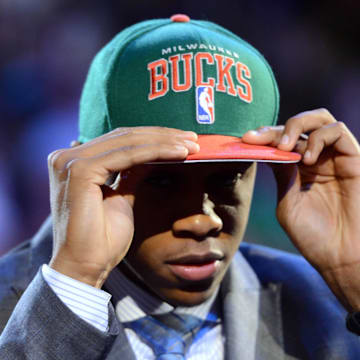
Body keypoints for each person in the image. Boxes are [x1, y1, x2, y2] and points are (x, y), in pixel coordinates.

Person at [1, 13, 360, 359]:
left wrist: (354, 278)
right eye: (160, 179)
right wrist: (75, 282)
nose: (203, 221)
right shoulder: (9, 301)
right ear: (84, 179)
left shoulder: (330, 300)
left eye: (229, 177)